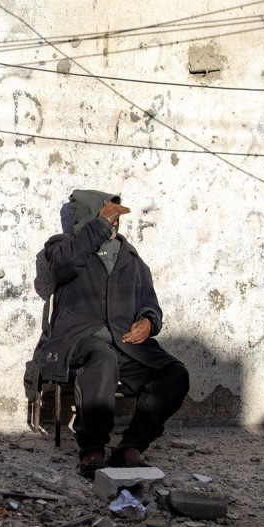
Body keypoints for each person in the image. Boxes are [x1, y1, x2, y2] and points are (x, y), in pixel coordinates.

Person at [35, 189, 190, 476]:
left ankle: (131, 446)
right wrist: (99, 225)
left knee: (174, 374)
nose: (113, 224)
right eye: (106, 217)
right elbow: (64, 265)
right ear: (90, 218)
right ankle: (92, 447)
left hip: (126, 345)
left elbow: (149, 302)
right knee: (101, 355)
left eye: (115, 219)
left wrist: (148, 322)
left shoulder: (130, 257)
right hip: (78, 340)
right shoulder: (63, 245)